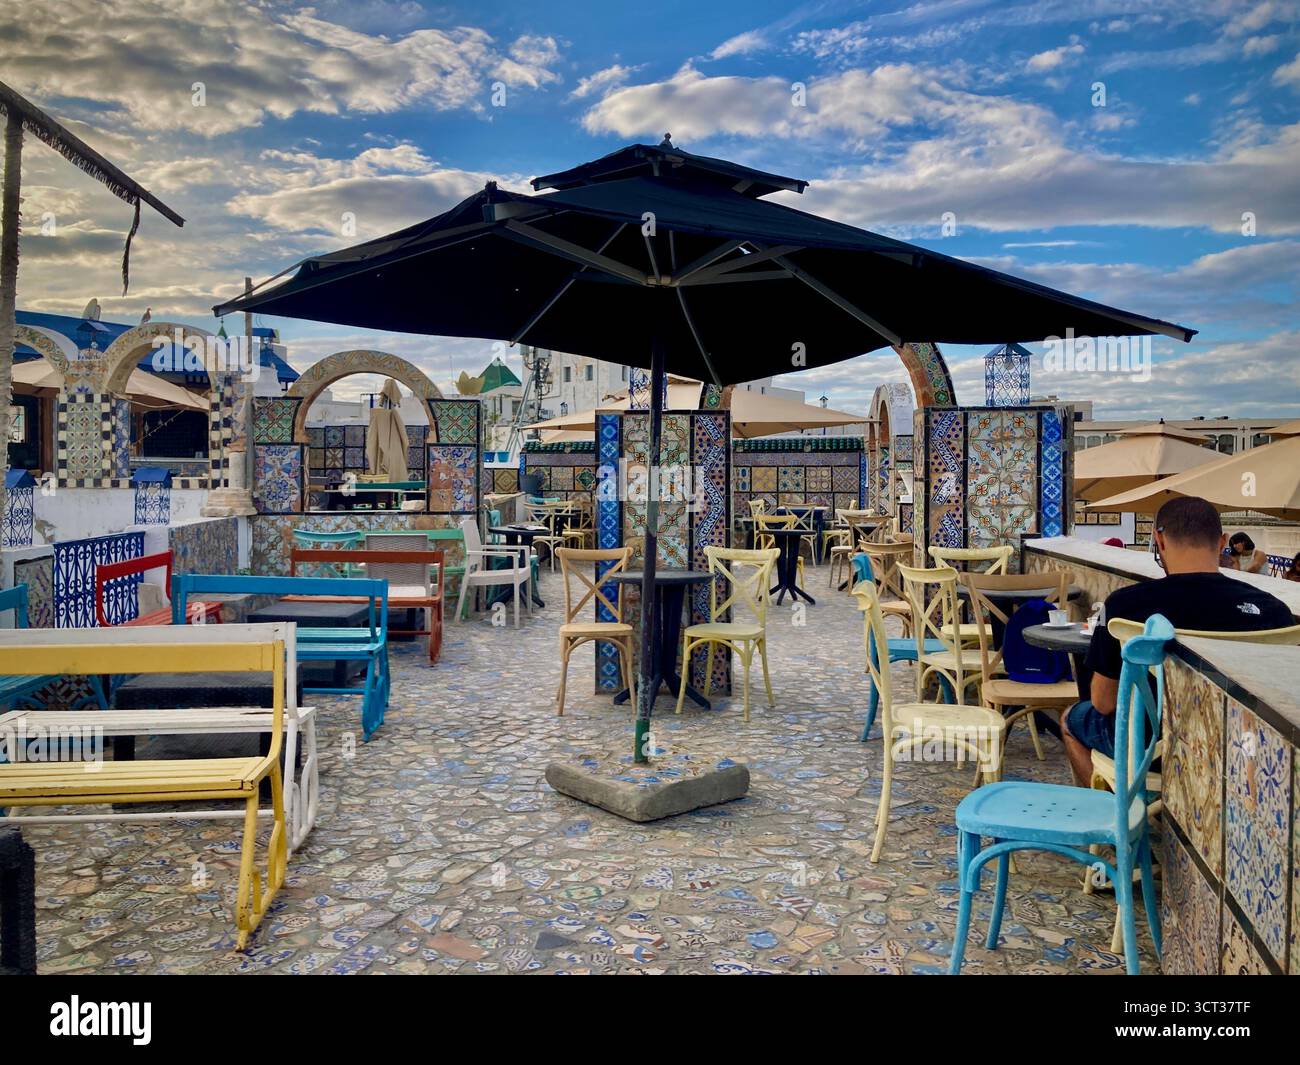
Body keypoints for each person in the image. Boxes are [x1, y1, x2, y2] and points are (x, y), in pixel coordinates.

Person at [1061, 496, 1292, 785]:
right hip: (1242, 748)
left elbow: (1104, 702)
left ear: (1159, 540)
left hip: (1150, 748)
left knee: (1072, 718)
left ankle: (1112, 815)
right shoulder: (1274, 611)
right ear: (1222, 542)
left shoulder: (1123, 605)